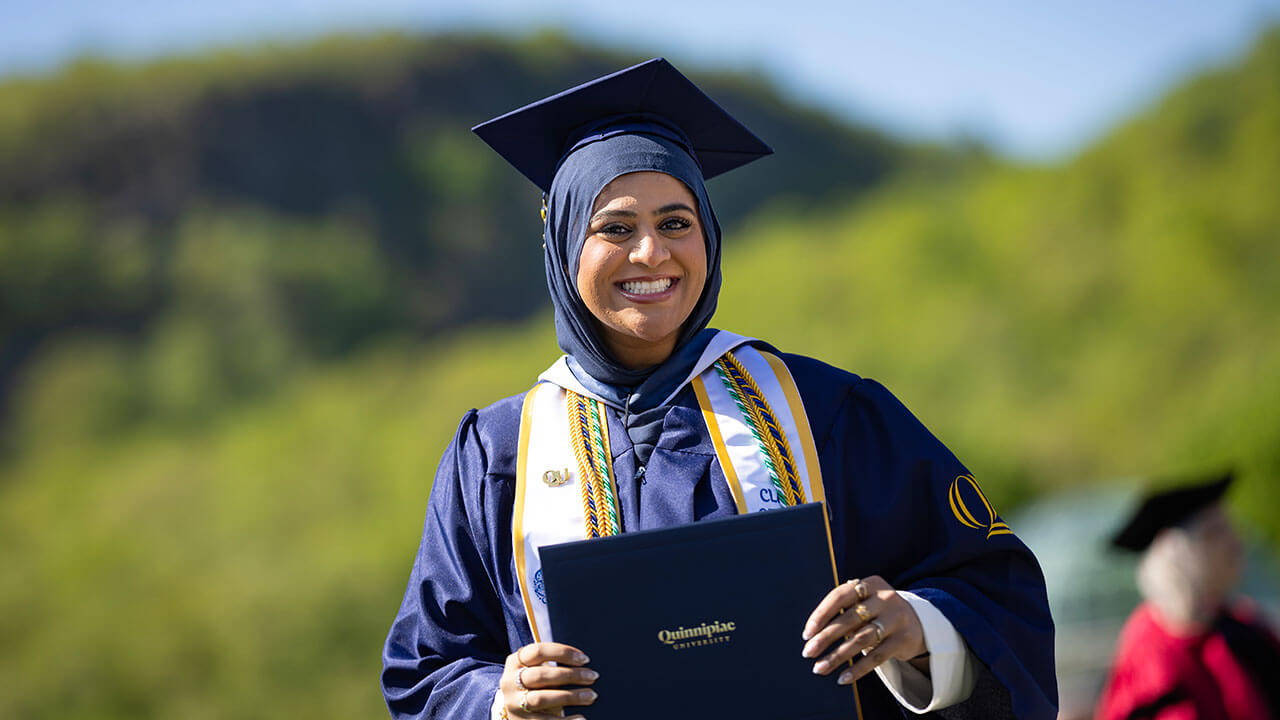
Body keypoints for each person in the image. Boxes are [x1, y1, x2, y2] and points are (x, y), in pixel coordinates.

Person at [381, 58, 1057, 720]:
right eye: (615, 228)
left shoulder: (825, 412)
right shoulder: (496, 454)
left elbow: (1000, 597)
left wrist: (916, 627)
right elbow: (425, 672)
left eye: (676, 223)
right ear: (563, 250)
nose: (651, 253)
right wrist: (500, 700)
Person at [1096, 471, 1280, 720]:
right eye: (1215, 533)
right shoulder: (1150, 649)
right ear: (1176, 553)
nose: (1235, 543)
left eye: (1230, 530)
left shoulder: (1245, 628)